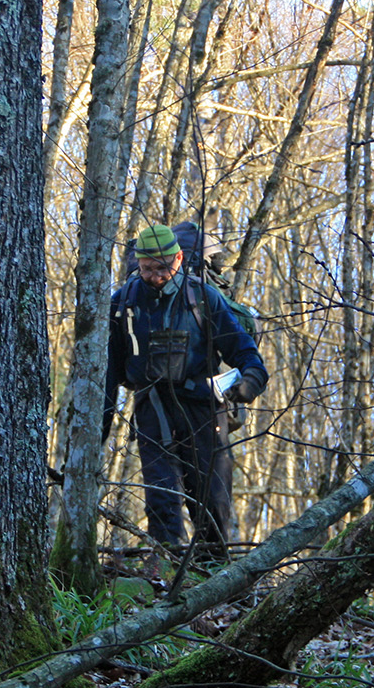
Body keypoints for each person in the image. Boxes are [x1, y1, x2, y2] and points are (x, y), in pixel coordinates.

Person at [105, 223, 266, 569]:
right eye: (147, 268)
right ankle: (163, 575)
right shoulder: (123, 304)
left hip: (204, 410)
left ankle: (215, 577)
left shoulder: (203, 298)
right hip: (152, 411)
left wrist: (250, 381)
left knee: (213, 504)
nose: (154, 276)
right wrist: (98, 430)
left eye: (162, 267)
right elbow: (108, 374)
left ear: (179, 258)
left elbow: (243, 351)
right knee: (161, 501)